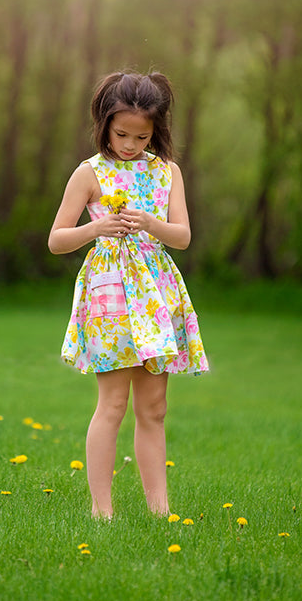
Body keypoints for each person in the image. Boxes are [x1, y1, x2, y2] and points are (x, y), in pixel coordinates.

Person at [48, 71, 208, 518]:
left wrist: (151, 224)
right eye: (121, 133)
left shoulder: (167, 172)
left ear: (157, 130)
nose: (131, 144)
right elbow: (56, 239)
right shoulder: (89, 173)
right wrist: (95, 228)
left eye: (142, 135)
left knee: (154, 407)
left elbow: (182, 237)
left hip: (156, 291)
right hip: (110, 294)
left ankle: (160, 510)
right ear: (104, 124)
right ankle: (103, 510)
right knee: (114, 402)